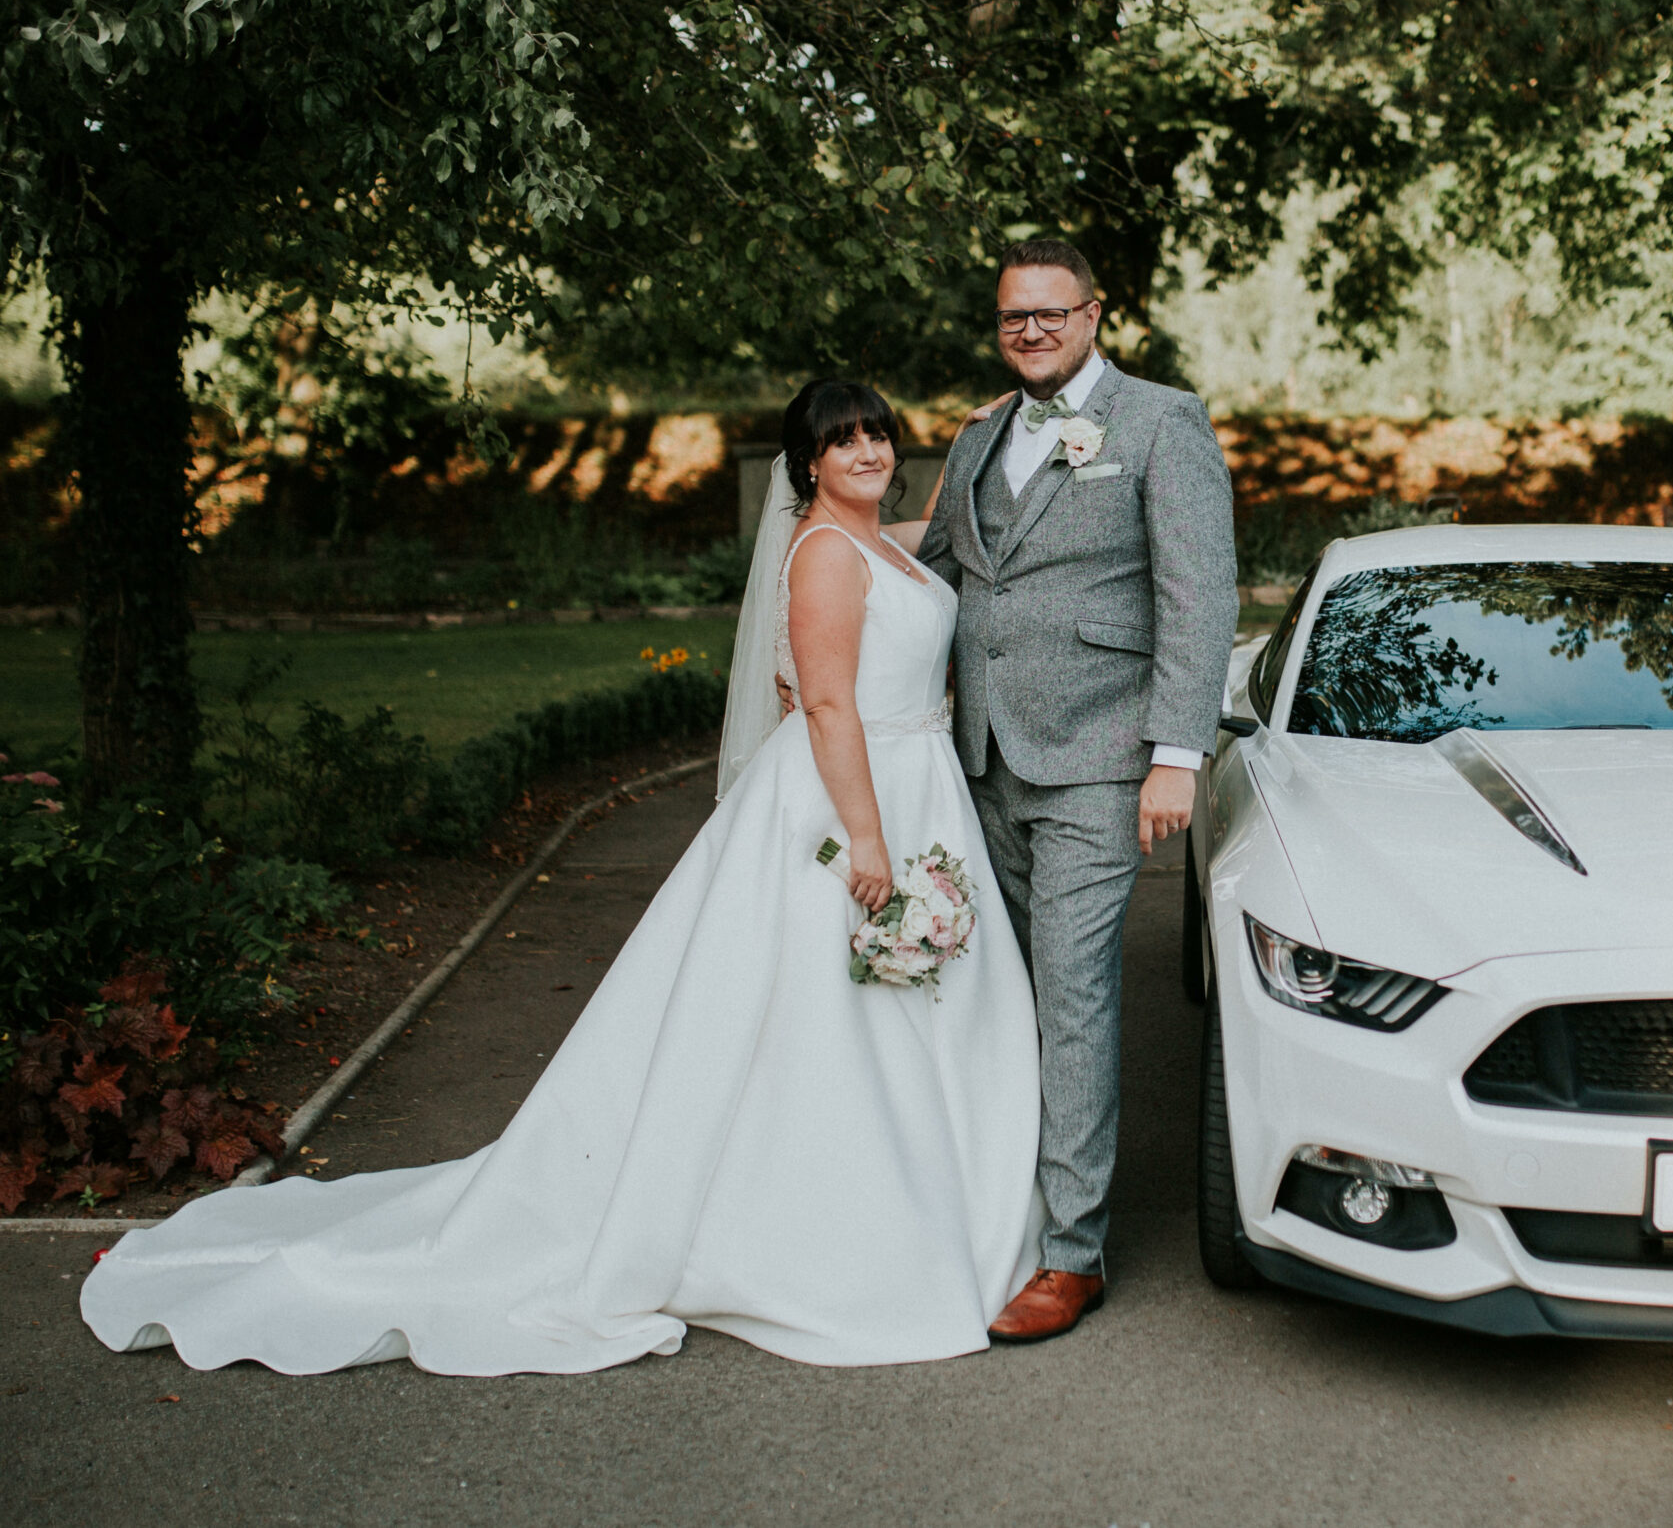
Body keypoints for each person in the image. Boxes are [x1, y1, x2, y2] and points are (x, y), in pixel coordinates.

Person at [80, 380, 1044, 1375]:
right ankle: (827, 1231)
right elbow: (831, 708)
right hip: (854, 806)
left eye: (877, 435)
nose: (865, 453)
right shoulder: (828, 559)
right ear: (805, 466)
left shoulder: (886, 543)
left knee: (904, 1012)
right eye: (841, 442)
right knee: (821, 1020)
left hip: (921, 789)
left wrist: (985, 438)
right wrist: (869, 843)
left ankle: (941, 1197)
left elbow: (946, 526)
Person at [916, 238, 1238, 1342]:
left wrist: (1176, 755)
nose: (1033, 332)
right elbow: (944, 576)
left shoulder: (1161, 422)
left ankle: (1071, 1253)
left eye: (1053, 314)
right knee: (1001, 991)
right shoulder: (977, 438)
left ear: (1095, 314)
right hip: (982, 759)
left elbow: (1197, 595)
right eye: (1014, 317)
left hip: (1102, 760)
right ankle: (1007, 1203)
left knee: (1074, 992)